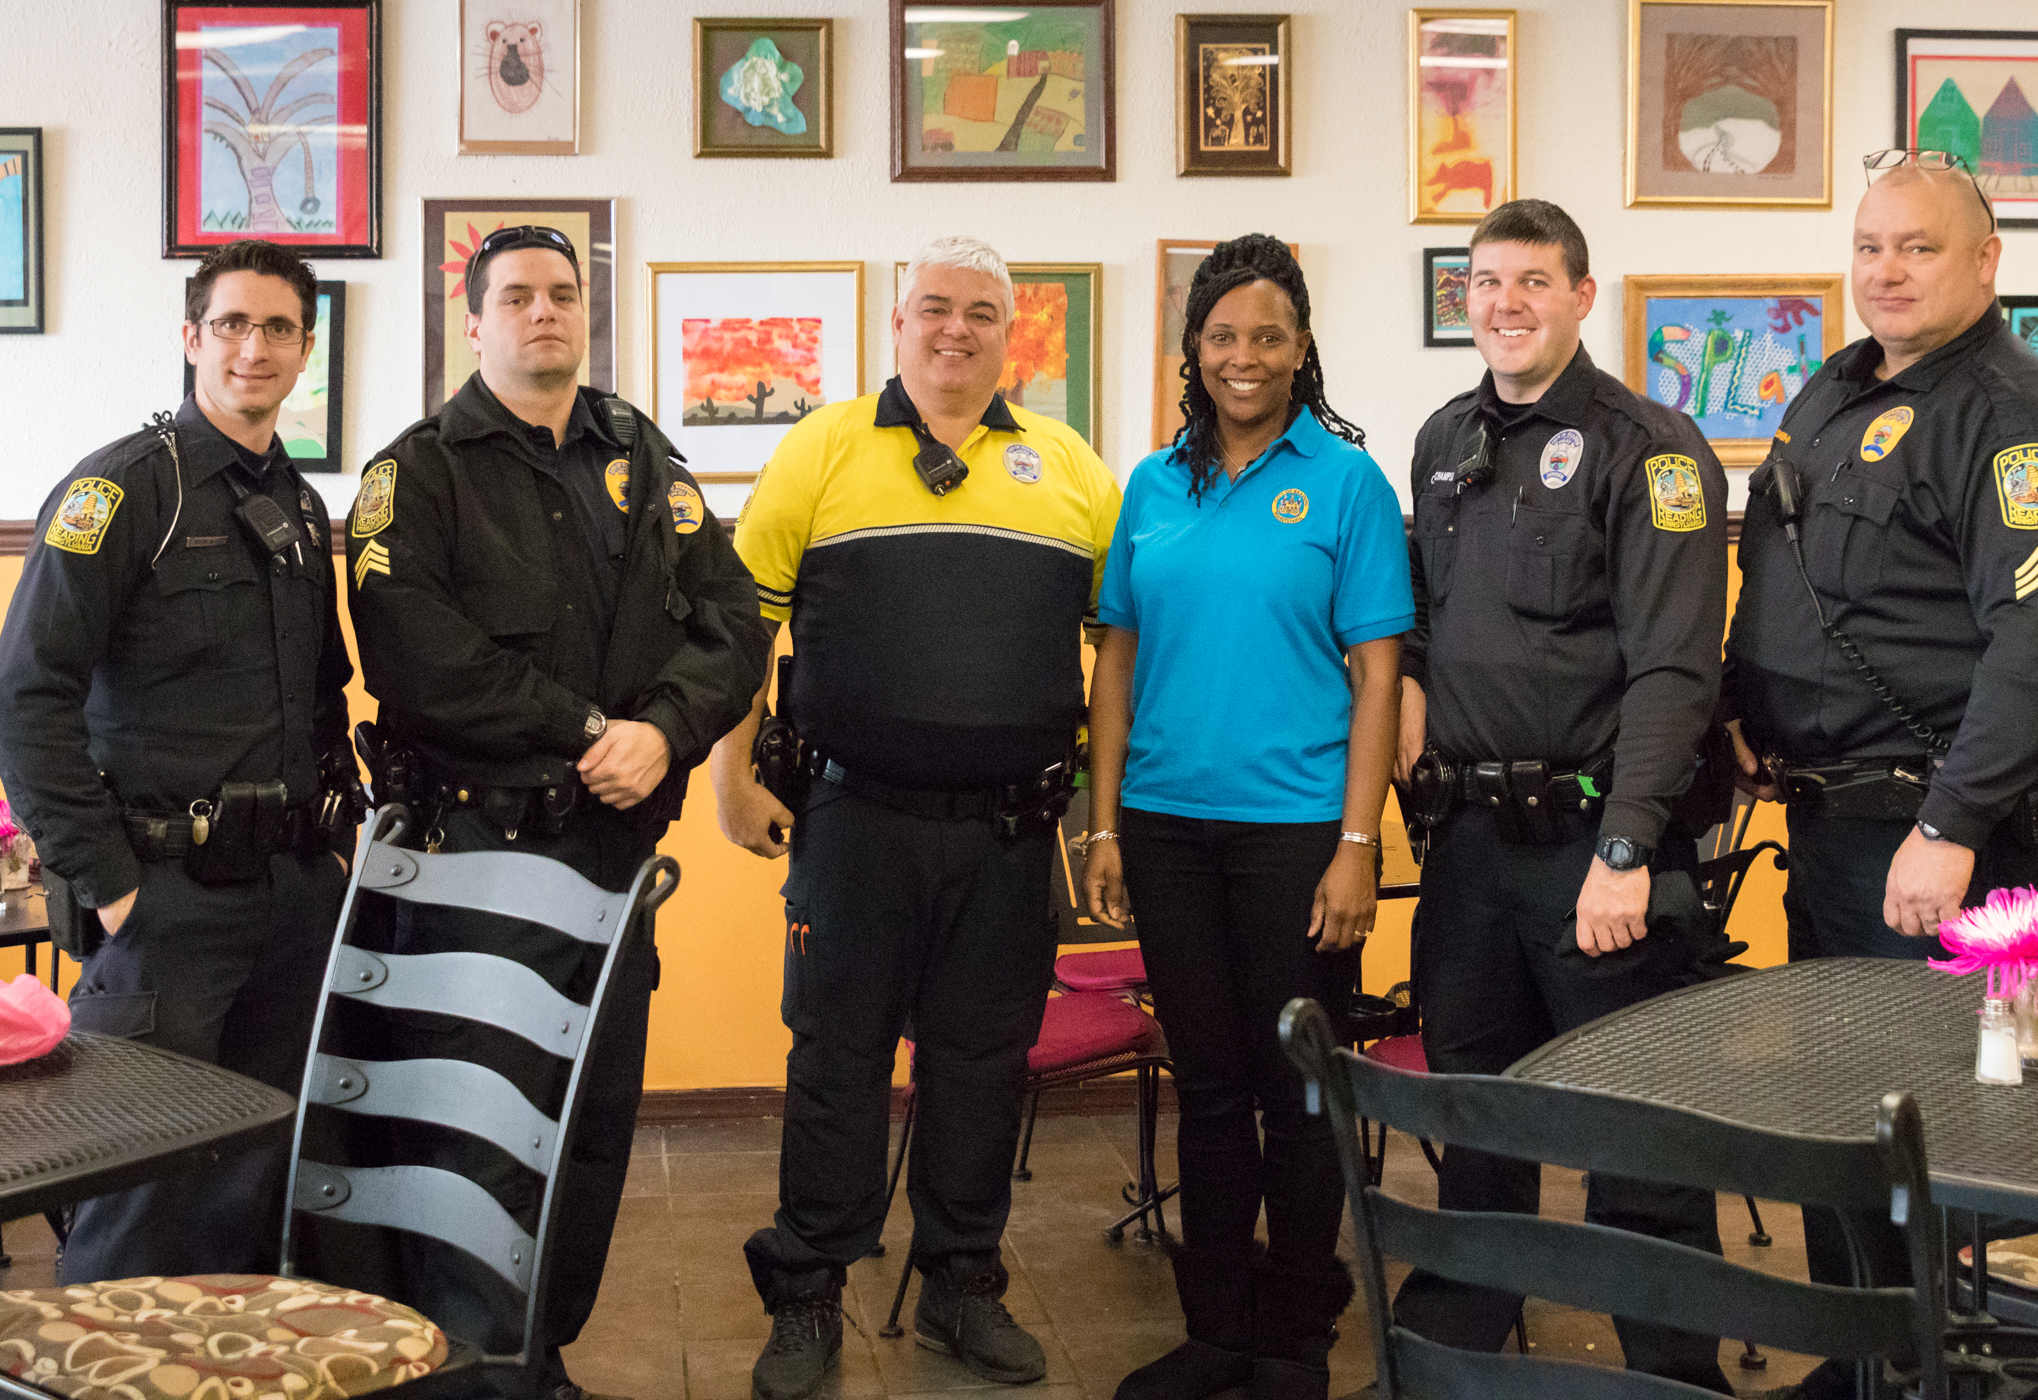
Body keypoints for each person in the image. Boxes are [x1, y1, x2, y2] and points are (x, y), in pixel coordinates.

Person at [344, 225, 767, 1400]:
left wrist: (666, 730)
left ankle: (540, 1353)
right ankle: (467, 1367)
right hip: (473, 859)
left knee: (588, 1126)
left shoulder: (640, 452)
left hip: (610, 861)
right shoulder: (418, 473)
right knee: (473, 1130)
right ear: (474, 321)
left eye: (564, 293)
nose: (545, 311)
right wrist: (590, 730)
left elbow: (734, 619)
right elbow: (421, 659)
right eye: (518, 294)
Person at [713, 234, 1121, 1399]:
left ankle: (961, 1282)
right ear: (897, 323)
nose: (956, 329)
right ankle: (808, 1288)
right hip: (856, 822)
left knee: (981, 1063)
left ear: (1011, 333)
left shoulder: (1071, 467)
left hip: (1010, 833)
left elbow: (1118, 652)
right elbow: (744, 625)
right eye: (934, 307)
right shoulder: (824, 445)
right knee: (835, 1059)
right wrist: (731, 778)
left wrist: (1102, 821)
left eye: (981, 312)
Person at [1723, 155, 2038, 1400]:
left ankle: (1985, 1378)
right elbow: (1788, 583)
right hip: (1839, 830)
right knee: (1847, 1116)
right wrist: (1741, 712)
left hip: (1963, 841)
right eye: (1870, 246)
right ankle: (1868, 1366)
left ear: (1986, 262)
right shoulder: (1835, 390)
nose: (1885, 270)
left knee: (1975, 1133)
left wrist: (1950, 821)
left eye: (1918, 247)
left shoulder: (2022, 413)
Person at [1387, 199, 1735, 1394]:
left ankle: (1676, 1376)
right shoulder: (1443, 438)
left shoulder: (1652, 447)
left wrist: (1627, 848)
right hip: (1470, 847)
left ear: (1584, 295)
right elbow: (1426, 615)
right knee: (1475, 1122)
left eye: (1533, 280)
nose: (1506, 303)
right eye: (1485, 281)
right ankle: (1450, 1361)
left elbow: (1677, 670)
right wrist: (1413, 684)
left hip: (1596, 843)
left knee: (1634, 1137)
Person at [1081, 234, 1411, 1400]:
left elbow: (1379, 675)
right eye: (1222, 334)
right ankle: (1215, 1332)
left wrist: (1358, 845)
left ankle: (1294, 1342)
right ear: (1194, 348)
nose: (1244, 356)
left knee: (1297, 1089)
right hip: (1166, 827)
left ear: (1301, 345)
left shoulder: (1348, 482)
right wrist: (1105, 826)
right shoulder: (1152, 485)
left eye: (1268, 334)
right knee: (1209, 1086)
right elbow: (1117, 661)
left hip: (1297, 835)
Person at [0, 239, 362, 1283]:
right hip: (167, 904)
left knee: (258, 1187)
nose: (256, 347)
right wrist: (110, 885)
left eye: (280, 327)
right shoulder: (122, 491)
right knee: (138, 1197)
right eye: (234, 323)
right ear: (193, 336)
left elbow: (320, 696)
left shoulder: (298, 505)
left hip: (291, 899)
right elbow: (26, 696)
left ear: (306, 350)